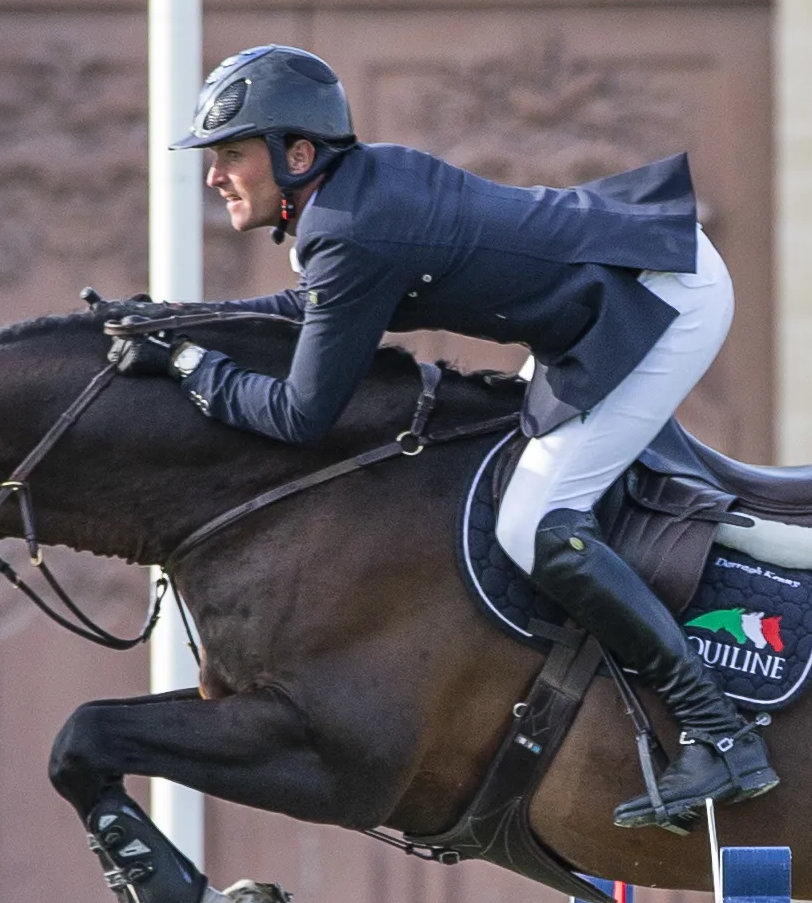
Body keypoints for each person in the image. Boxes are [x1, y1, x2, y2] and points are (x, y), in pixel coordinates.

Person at [109, 44, 775, 827]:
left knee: (537, 527)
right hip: (627, 282)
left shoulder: (349, 227)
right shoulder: (350, 202)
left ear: (296, 154)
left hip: (665, 299)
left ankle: (718, 730)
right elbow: (317, 310)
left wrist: (185, 362)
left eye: (231, 154)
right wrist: (190, 323)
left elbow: (299, 416)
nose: (215, 175)